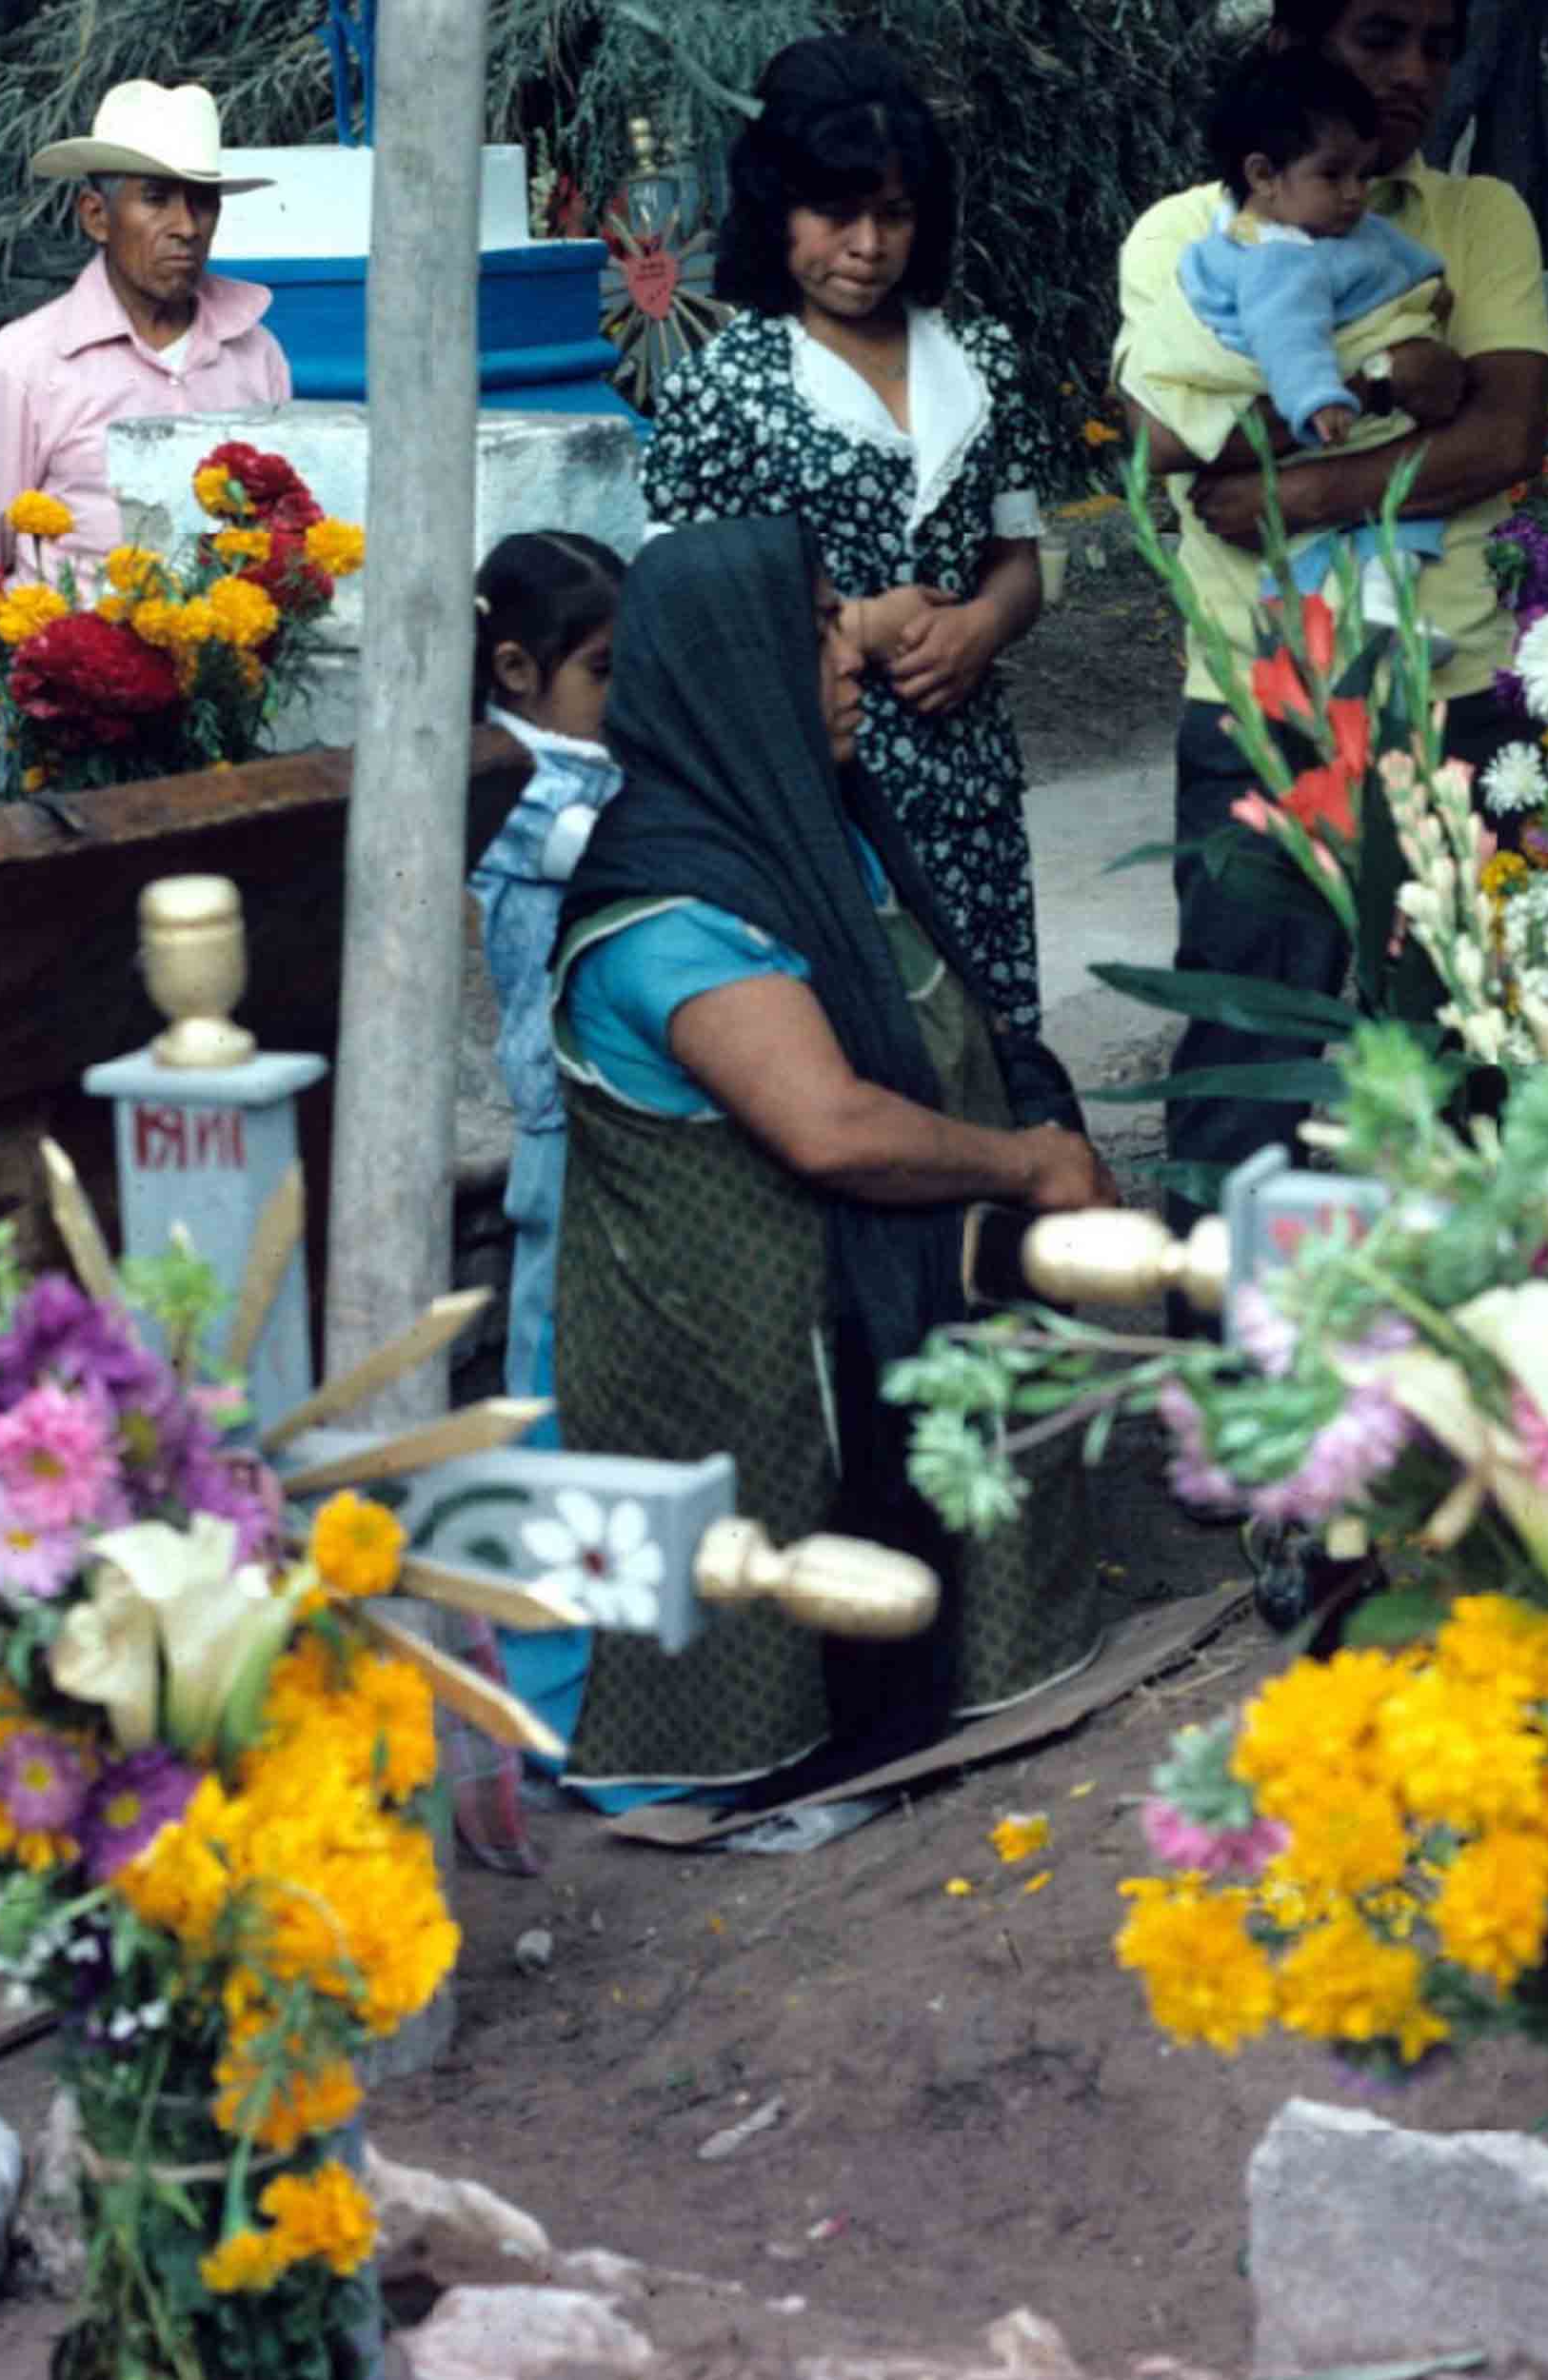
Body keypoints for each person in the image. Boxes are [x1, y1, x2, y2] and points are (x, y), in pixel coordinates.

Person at [546, 517, 1117, 1805]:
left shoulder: (805, 827)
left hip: (831, 1313)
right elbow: (831, 1129)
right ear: (736, 669)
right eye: (813, 632)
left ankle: (982, 1665)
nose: (849, 655)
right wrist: (1026, 1166)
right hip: (740, 1365)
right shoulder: (673, 908)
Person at [1113, 0, 1548, 1228]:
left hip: (1444, 695)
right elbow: (1182, 445)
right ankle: (1231, 1374)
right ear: (1291, 43)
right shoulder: (1179, 234)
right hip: (1257, 708)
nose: (1415, 72)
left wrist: (1301, 486)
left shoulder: (1476, 218)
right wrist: (1404, 397)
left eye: (1434, 42)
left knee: (1458, 1048)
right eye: (1377, 37)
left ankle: (1455, 1378)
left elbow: (1506, 433)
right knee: (1246, 1048)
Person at [637, 37, 1069, 1130]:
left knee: (983, 1046)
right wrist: (860, 624)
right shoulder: (725, 387)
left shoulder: (979, 357)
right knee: (858, 1058)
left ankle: (988, 1264)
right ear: (774, 209)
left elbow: (1016, 557)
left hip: (965, 778)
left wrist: (982, 623)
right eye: (835, 213)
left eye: (893, 212)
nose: (867, 245)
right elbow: (680, 612)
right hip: (816, 788)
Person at [462, 531, 628, 1803]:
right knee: (556, 1427)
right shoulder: (540, 798)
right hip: (564, 1135)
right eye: (604, 675)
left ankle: (575, 1690)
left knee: (588, 1420)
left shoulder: (571, 766)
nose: (626, 703)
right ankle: (537, 1710)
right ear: (517, 671)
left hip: (591, 1129)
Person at [1149, 50, 1457, 656]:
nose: (1354, 195)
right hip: (1312, 402)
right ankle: (1372, 608)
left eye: (1363, 176)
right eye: (1334, 175)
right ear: (1263, 176)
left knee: (1364, 521)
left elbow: (1394, 255)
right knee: (1386, 511)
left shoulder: (1327, 230)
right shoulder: (1280, 259)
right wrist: (1318, 397)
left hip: (1332, 388)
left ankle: (1358, 617)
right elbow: (1289, 335)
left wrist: (1432, 286)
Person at [0, 80, 291, 585]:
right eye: (156, 199)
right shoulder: (22, 366)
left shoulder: (257, 355)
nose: (186, 226)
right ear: (97, 218)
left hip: (227, 657)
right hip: (67, 656)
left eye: (203, 202)